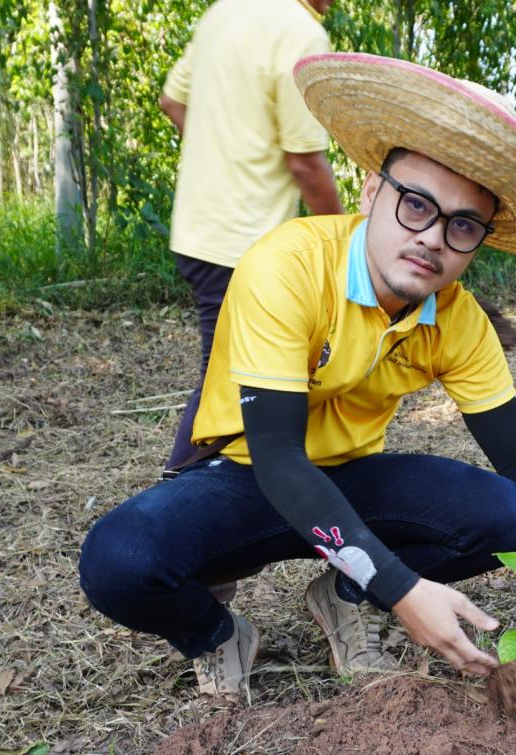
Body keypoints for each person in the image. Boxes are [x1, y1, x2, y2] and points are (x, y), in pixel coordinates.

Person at [80, 53, 516, 700]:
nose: (433, 238)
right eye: (416, 204)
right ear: (370, 191)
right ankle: (217, 633)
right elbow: (280, 461)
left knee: (506, 515)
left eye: (463, 224)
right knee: (118, 562)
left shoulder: (460, 320)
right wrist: (403, 589)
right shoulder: (288, 267)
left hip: (351, 477)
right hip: (246, 477)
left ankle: (344, 593)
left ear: (481, 239)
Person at [157, 0, 343, 476]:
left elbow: (172, 102)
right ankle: (175, 488)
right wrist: (344, 244)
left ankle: (241, 480)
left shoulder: (225, 11)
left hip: (198, 228)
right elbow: (306, 163)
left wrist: (223, 157)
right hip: (242, 241)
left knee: (246, 372)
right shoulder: (300, 33)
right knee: (229, 382)